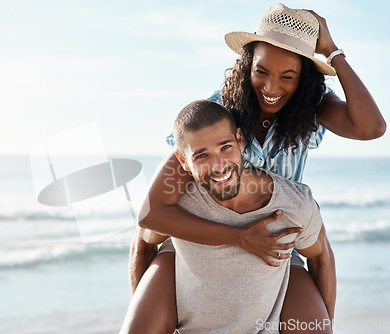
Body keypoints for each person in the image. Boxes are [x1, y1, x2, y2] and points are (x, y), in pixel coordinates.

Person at [126, 3, 386, 334]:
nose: (271, 88)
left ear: (304, 78)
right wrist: (241, 238)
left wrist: (332, 53)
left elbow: (372, 128)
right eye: (261, 71)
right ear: (248, 63)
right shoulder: (220, 111)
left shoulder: (313, 106)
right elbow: (151, 213)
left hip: (275, 245)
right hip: (203, 238)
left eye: (287, 77)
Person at [121, 100, 332, 333]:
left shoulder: (292, 205)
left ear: (240, 141)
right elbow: (142, 242)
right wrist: (140, 308)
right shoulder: (179, 204)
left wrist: (327, 325)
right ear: (184, 161)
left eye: (225, 147)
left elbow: (321, 257)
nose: (219, 166)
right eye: (202, 155)